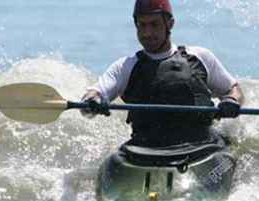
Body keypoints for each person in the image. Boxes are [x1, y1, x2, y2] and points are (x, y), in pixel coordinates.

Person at [81, 0, 245, 148]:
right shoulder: (125, 66)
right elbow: (94, 94)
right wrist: (93, 102)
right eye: (141, 25)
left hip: (201, 147)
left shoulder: (200, 57)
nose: (147, 33)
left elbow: (233, 89)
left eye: (154, 25)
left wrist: (231, 101)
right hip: (144, 151)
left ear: (170, 24)